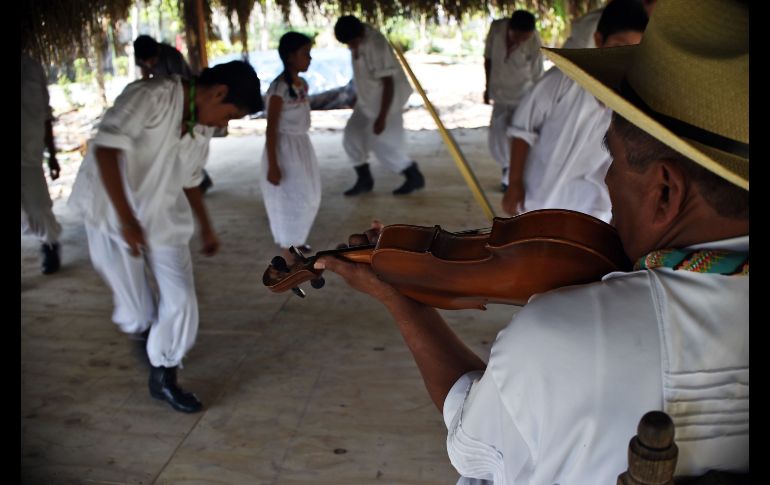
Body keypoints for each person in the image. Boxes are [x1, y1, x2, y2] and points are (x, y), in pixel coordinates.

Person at [315, 0, 748, 481]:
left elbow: (472, 444)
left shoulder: (564, 334)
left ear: (664, 191)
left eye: (616, 162)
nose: (606, 182)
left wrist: (401, 300)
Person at [68, 61, 263, 413]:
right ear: (218, 92)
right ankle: (146, 332)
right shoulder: (151, 96)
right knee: (137, 310)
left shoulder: (201, 129)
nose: (223, 125)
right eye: (228, 115)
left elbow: (190, 179)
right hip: (111, 213)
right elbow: (107, 149)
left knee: (181, 299)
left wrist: (206, 226)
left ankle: (164, 375)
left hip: (163, 218)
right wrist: (127, 221)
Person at [502, 0, 648, 221]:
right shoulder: (562, 81)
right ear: (599, 40)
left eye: (635, 51)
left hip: (591, 214)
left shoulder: (636, 106)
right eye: (619, 45)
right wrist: (514, 183)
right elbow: (523, 130)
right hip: (537, 199)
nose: (624, 57)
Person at [334, 15, 425, 196]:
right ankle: (364, 179)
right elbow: (363, 74)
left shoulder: (375, 44)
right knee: (352, 135)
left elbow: (388, 83)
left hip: (387, 100)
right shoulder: (357, 39)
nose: (350, 47)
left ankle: (412, 174)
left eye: (352, 42)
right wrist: (358, 95)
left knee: (383, 143)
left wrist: (382, 116)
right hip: (367, 99)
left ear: (360, 33)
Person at [260, 32, 321, 263]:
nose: (310, 58)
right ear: (290, 56)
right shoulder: (278, 89)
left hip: (301, 145)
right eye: (305, 54)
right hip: (284, 148)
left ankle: (298, 236)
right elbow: (271, 128)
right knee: (288, 197)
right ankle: (289, 247)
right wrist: (273, 164)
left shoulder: (302, 84)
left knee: (309, 194)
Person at [133, 34, 214, 194]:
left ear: (158, 50)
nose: (149, 64)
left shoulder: (171, 56)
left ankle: (197, 180)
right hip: (164, 99)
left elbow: (181, 85)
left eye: (152, 60)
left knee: (185, 143)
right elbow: (145, 76)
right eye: (145, 61)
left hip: (182, 99)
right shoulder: (142, 56)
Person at [483, 10, 544, 192]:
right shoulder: (496, 29)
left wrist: (536, 102)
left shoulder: (534, 40)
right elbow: (488, 59)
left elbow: (538, 74)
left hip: (523, 96)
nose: (522, 41)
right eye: (519, 37)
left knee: (518, 135)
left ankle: (510, 176)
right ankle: (506, 169)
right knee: (498, 136)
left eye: (526, 37)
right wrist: (487, 87)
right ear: (511, 28)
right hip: (500, 94)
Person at [21, 52, 63, 275]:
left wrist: (52, 155)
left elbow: (46, 116)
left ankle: (50, 245)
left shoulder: (32, 69)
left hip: (30, 155)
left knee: (39, 207)